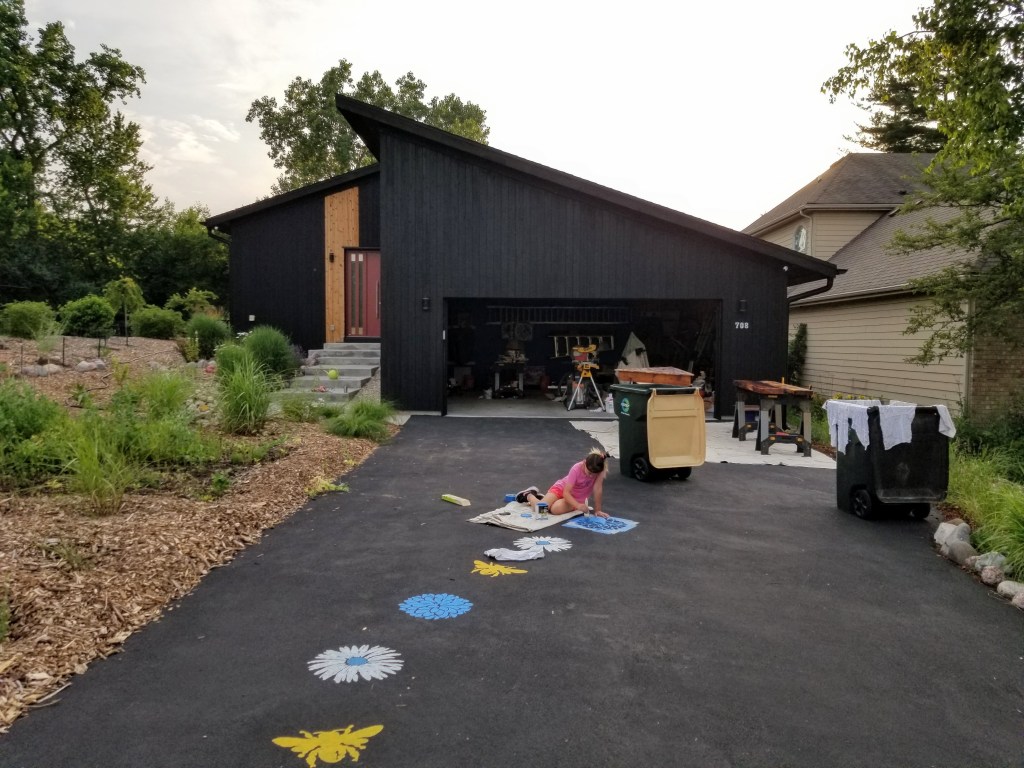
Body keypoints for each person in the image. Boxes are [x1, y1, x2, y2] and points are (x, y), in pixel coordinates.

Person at [516, 448, 610, 518]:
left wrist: (598, 510)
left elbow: (598, 489)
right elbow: (566, 492)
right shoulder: (576, 468)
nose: (591, 476)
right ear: (584, 463)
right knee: (541, 510)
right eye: (589, 473)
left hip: (575, 498)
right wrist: (578, 506)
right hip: (562, 489)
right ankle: (529, 495)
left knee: (554, 510)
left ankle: (543, 499)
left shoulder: (600, 471)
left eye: (594, 474)